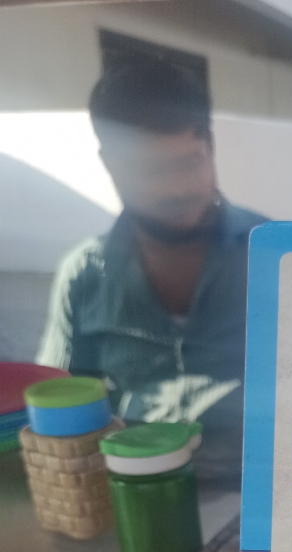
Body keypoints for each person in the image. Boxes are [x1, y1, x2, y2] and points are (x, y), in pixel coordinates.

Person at [37, 60, 265, 480]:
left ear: (210, 145)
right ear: (109, 164)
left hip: (258, 493)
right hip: (131, 495)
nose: (177, 189)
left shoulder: (277, 258)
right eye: (151, 170)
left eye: (190, 162)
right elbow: (60, 415)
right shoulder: (83, 275)